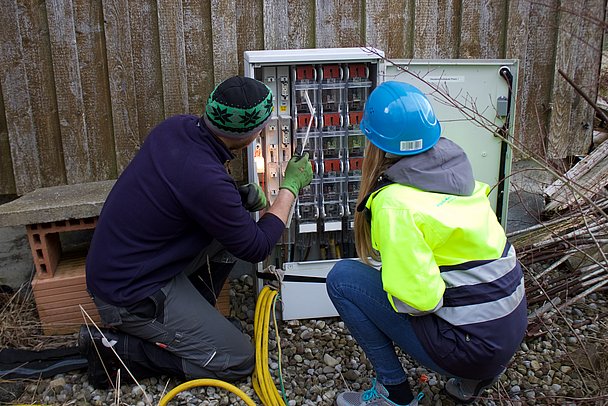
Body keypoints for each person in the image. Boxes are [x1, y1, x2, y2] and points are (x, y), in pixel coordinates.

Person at [81, 76, 313, 389]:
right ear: (251, 133)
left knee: (233, 233)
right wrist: (291, 187)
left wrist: (236, 197)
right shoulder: (206, 179)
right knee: (239, 359)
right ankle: (118, 350)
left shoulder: (176, 127)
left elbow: (183, 190)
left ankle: (193, 318)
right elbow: (257, 247)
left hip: (129, 264)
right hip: (129, 294)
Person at [326, 81, 527, 406]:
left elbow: (421, 302)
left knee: (343, 280)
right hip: (508, 332)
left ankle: (394, 392)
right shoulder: (457, 174)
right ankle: (474, 381)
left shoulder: (395, 203)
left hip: (472, 349)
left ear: (373, 140)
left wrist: (392, 280)